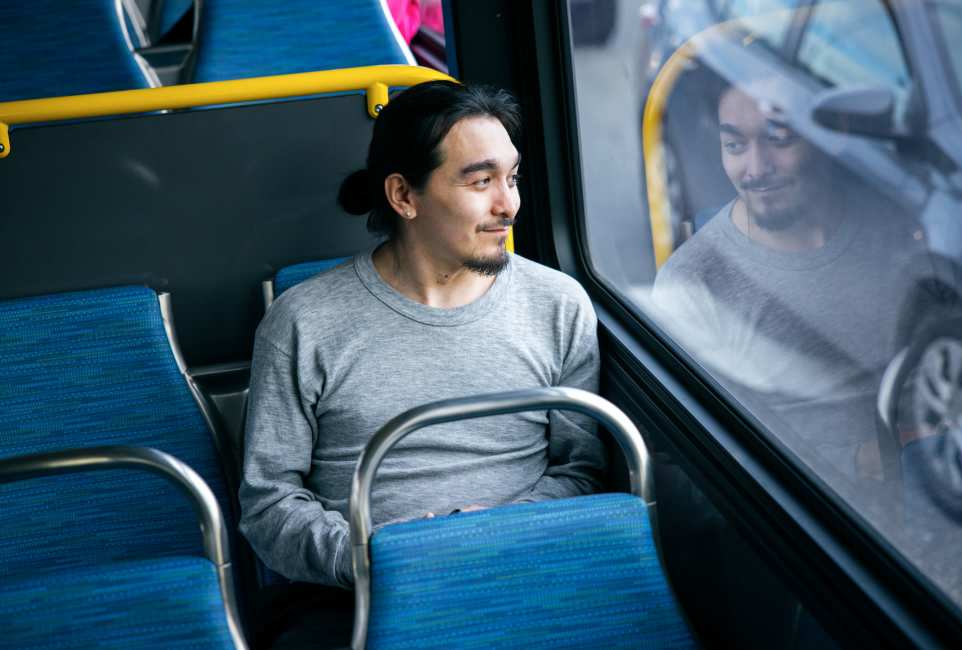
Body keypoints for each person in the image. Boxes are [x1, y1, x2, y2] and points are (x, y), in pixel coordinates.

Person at [240, 81, 604, 601]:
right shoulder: (303, 322)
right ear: (404, 196)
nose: (509, 205)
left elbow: (582, 469)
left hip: (526, 574)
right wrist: (376, 556)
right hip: (367, 594)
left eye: (513, 178)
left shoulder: (557, 304)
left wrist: (501, 530)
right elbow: (269, 505)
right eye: (481, 182)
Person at [652, 71, 926, 484]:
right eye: (734, 145)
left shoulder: (895, 226)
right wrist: (859, 461)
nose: (756, 169)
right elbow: (698, 462)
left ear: (829, 137)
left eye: (779, 138)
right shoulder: (694, 282)